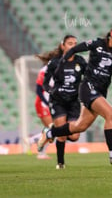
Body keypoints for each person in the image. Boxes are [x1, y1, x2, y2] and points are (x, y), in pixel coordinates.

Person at [37, 25, 112, 165]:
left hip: (101, 91)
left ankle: (50, 133)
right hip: (88, 87)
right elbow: (76, 49)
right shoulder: (97, 43)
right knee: (110, 114)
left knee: (79, 127)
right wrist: (64, 60)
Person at [42, 35, 87, 169]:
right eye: (70, 43)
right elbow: (45, 84)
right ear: (63, 46)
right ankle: (60, 163)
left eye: (75, 43)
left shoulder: (81, 61)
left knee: (74, 136)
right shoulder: (55, 62)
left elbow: (89, 78)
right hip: (58, 101)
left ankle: (51, 131)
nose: (73, 46)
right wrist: (53, 92)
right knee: (62, 135)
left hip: (73, 101)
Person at [33, 65, 53, 160]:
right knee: (52, 127)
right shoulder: (45, 70)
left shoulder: (60, 68)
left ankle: (36, 142)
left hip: (50, 104)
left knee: (51, 129)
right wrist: (46, 102)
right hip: (43, 104)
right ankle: (39, 150)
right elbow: (38, 90)